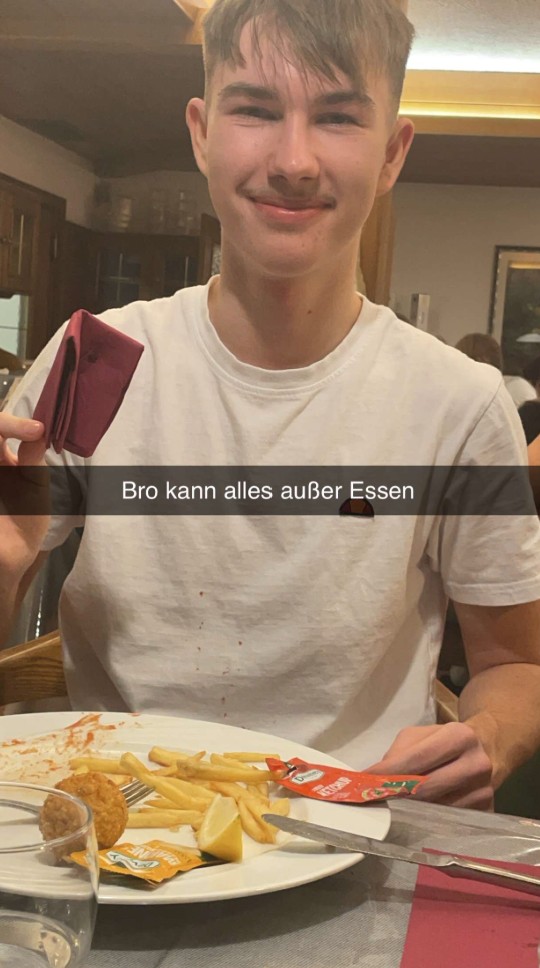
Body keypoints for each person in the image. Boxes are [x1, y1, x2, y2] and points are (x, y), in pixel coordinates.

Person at [2, 0, 540, 811]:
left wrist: (488, 738)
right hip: (124, 827)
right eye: (254, 109)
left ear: (393, 153)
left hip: (356, 827)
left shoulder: (459, 403)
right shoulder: (98, 361)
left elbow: (515, 664)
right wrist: (6, 564)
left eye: (338, 117)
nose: (293, 161)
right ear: (201, 132)